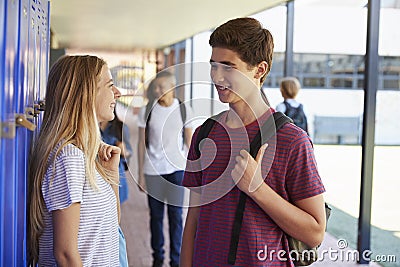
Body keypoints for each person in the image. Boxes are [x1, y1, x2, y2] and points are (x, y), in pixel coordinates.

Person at [181, 17, 326, 267]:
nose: (216, 75)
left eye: (228, 66)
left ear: (259, 70)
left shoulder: (292, 141)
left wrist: (257, 188)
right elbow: (194, 217)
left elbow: (314, 233)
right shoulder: (205, 134)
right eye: (213, 65)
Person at [28, 55, 122, 266]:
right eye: (110, 85)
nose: (118, 92)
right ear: (86, 95)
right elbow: (66, 254)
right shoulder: (68, 158)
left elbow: (111, 227)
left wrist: (111, 174)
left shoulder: (86, 154)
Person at [137, 71, 193, 267]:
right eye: (155, 87)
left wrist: (194, 171)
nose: (157, 90)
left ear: (172, 87)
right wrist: (141, 175)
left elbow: (189, 142)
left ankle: (175, 260)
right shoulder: (147, 111)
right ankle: (158, 259)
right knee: (156, 217)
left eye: (161, 86)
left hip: (177, 170)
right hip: (153, 172)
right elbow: (141, 144)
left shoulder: (184, 110)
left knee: (176, 217)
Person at [100, 110, 131, 204]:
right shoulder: (91, 125)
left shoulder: (121, 127)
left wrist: (123, 150)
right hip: (97, 177)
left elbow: (129, 152)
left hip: (116, 176)